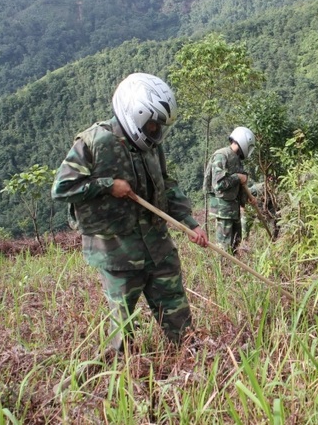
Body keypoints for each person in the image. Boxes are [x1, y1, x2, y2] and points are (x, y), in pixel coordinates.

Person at [51, 72, 208, 353]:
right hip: (119, 254)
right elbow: (62, 188)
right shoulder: (94, 142)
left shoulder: (151, 147)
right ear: (135, 112)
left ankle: (191, 364)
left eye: (159, 126)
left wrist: (191, 223)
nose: (156, 131)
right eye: (152, 124)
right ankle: (120, 381)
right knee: (123, 329)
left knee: (178, 317)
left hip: (158, 247)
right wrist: (107, 185)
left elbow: (167, 186)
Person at [203, 126, 257, 254]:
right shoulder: (222, 155)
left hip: (234, 209)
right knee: (224, 248)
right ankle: (222, 273)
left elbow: (239, 186)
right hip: (224, 210)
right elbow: (218, 184)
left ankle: (234, 272)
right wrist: (237, 177)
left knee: (236, 244)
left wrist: (248, 198)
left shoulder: (236, 159)